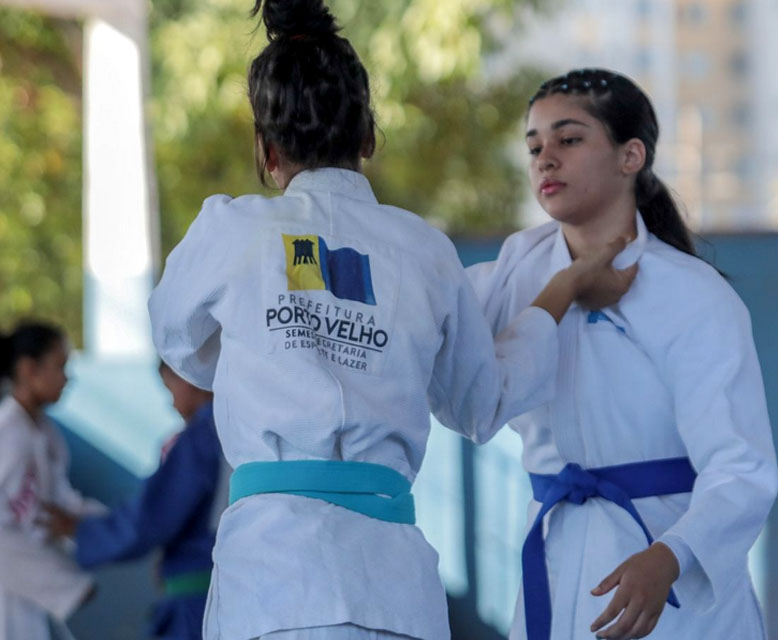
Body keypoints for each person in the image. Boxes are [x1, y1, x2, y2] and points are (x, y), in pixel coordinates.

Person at [147, 3, 637, 639]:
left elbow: (178, 344)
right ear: (369, 138)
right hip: (391, 595)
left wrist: (269, 350)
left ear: (267, 152)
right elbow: (483, 406)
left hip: (271, 589)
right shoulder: (423, 251)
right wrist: (562, 287)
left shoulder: (231, 230)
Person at [466, 68, 778, 640]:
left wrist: (670, 557)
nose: (545, 159)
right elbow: (426, 337)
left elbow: (742, 468)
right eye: (534, 145)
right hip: (558, 565)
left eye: (570, 138)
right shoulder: (507, 278)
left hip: (674, 576)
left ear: (631, 155)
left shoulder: (694, 293)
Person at [43, 362, 228, 640]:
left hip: (197, 606)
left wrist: (81, 530)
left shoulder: (201, 436)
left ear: (187, 376)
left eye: (171, 388)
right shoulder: (236, 428)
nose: (173, 403)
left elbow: (152, 517)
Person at [0, 322, 102, 640]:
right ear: (30, 369)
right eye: (60, 366)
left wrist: (124, 524)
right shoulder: (8, 434)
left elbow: (62, 504)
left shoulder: (46, 435)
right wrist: (66, 583)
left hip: (33, 594)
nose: (67, 378)